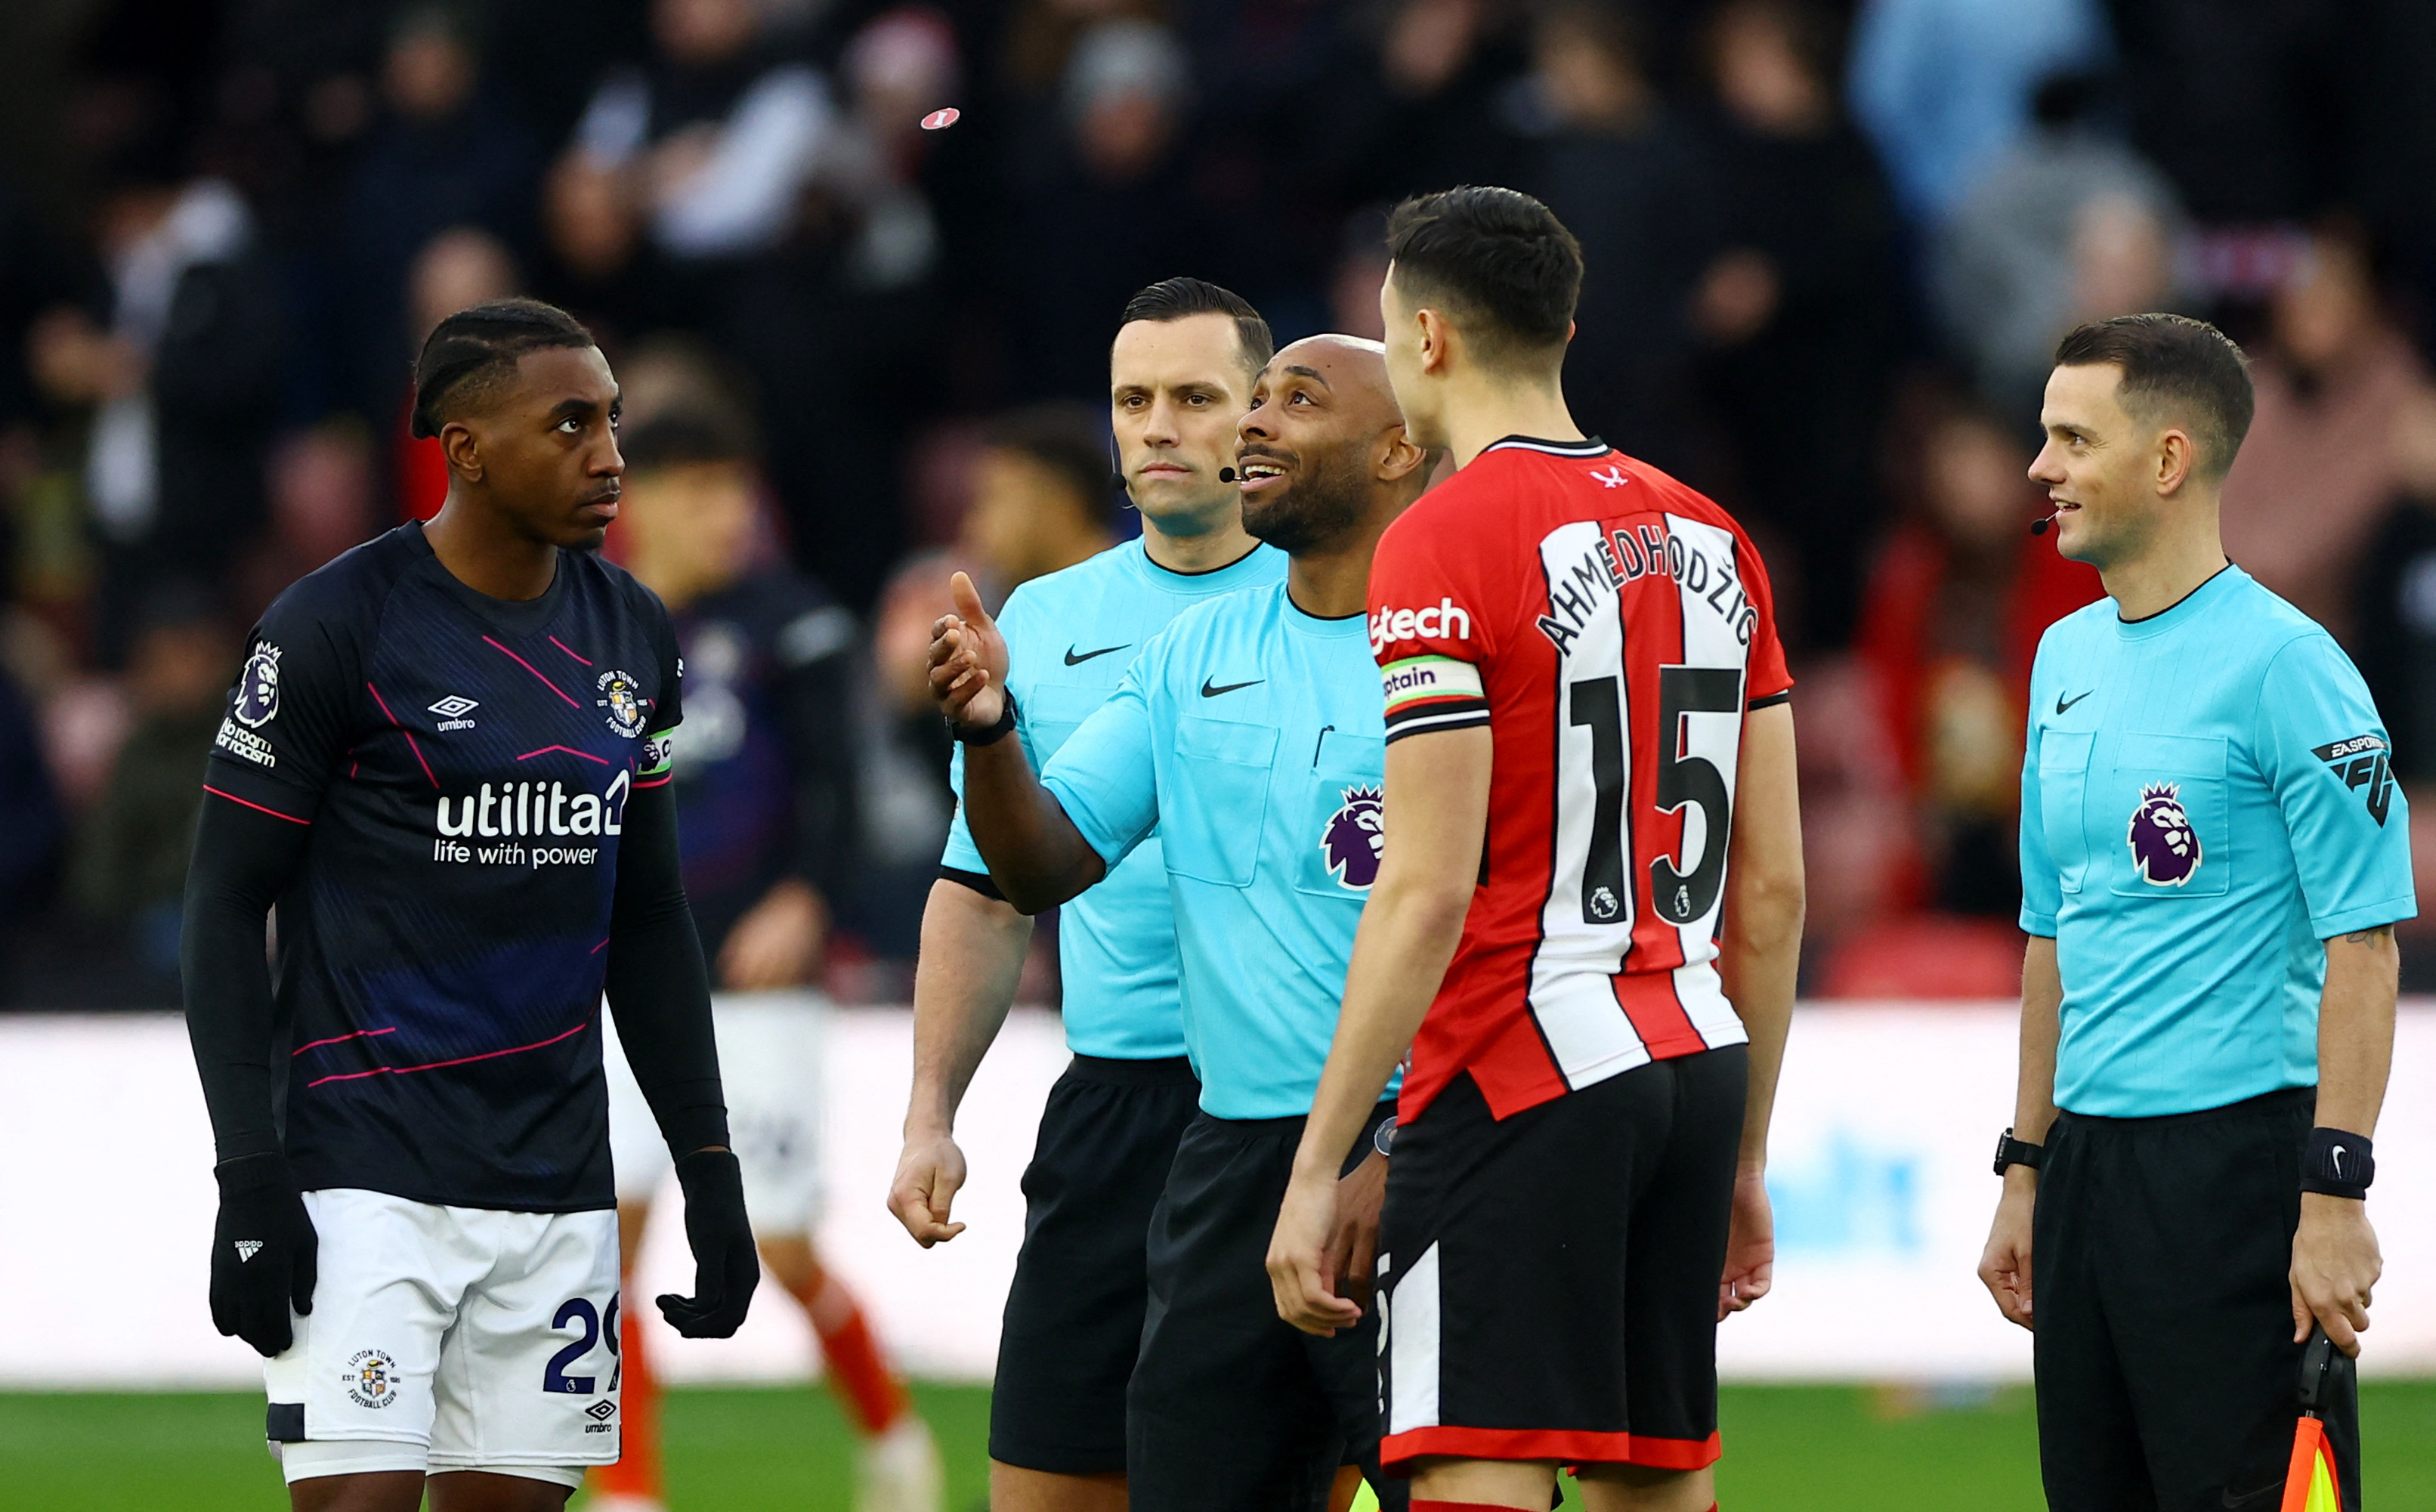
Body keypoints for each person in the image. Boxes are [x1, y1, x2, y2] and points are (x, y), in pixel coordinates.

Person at [1267, 185, 1805, 1512]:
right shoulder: (1713, 533)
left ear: (1431, 340)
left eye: (1387, 331)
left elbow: (1428, 884)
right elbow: (1777, 892)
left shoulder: (1441, 536)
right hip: (1693, 1056)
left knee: (1474, 1470)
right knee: (1654, 1477)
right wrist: (1743, 1153)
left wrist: (1317, 1161)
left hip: (1524, 1066)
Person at [179, 298, 758, 1512]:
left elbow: (648, 918)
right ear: (468, 450)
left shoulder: (635, 634)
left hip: (554, 1189)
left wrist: (709, 1166)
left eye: (611, 421)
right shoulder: (338, 625)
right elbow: (226, 905)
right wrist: (248, 1174)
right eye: (569, 423)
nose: (609, 454)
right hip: (362, 1175)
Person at [926, 332, 1430, 1510]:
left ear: (1400, 447)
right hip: (1222, 1158)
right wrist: (993, 727)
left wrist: (1399, 1148)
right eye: (1250, 403)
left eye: (1292, 401)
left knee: (1456, 1489)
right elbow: (1041, 864)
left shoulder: (1462, 647)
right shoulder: (1186, 653)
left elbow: (1507, 924)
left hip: (1404, 1154)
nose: (1253, 425)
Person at [1977, 314, 2413, 1510]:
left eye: (2074, 437)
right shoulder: (2063, 656)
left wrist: (2334, 1197)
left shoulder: (2291, 667)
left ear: (2169, 461)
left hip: (2235, 1176)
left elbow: (2365, 944)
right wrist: (2026, 1165)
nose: (2040, 467)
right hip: (2085, 1178)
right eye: (2043, 434)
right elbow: (2051, 931)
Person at [886, 277, 1286, 1512]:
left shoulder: (1339, 600)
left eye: (1194, 397)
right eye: (1134, 399)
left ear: (1259, 418)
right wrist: (928, 1111)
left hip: (1290, 1109)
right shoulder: (1045, 619)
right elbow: (983, 890)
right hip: (1113, 1111)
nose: (1158, 424)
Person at [591, 410, 941, 1512]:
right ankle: (629, 1489)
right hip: (628, 984)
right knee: (607, 1245)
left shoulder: (797, 627)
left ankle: (890, 1432)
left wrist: (806, 896)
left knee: (778, 1241)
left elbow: (844, 794)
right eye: (698, 490)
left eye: (735, 489)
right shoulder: (587, 625)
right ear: (639, 501)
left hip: (759, 995)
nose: (724, 514)